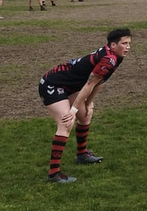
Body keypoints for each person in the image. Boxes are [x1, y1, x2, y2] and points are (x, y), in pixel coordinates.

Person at [38, 28, 132, 183]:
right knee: (66, 122)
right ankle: (53, 173)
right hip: (53, 84)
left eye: (129, 43)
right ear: (113, 45)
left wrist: (88, 103)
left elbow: (99, 82)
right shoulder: (108, 59)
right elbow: (90, 83)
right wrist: (74, 109)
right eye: (124, 43)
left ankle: (82, 155)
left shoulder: (116, 56)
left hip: (71, 86)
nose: (128, 47)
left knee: (86, 114)